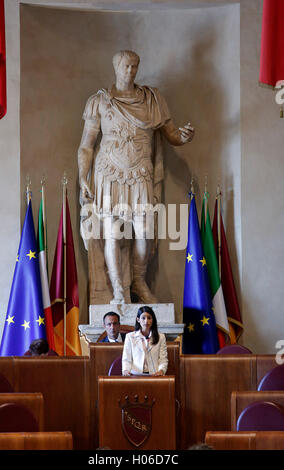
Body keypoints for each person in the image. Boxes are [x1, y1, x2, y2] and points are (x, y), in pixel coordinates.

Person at [78, 50, 195, 305]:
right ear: (116, 68)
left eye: (134, 66)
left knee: (144, 232)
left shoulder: (151, 100)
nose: (130, 71)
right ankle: (118, 290)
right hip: (108, 171)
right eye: (126, 66)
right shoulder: (99, 101)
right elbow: (86, 145)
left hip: (141, 170)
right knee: (111, 232)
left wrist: (182, 137)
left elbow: (171, 134)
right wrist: (82, 176)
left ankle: (139, 282)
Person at [122, 306, 168, 376]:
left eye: (149, 318)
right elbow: (126, 359)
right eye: (143, 318)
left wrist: (161, 370)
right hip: (135, 374)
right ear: (138, 319)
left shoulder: (161, 337)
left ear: (153, 320)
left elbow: (163, 359)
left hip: (154, 374)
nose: (146, 321)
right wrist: (126, 370)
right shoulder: (130, 337)